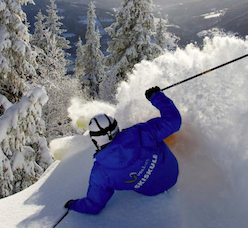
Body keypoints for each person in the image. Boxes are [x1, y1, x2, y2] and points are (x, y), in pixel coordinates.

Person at [65, 86, 182, 215]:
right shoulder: (141, 132)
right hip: (172, 173)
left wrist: (73, 205)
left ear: (95, 140)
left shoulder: (101, 172)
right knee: (156, 136)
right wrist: (156, 96)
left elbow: (94, 205)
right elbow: (174, 121)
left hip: (151, 190)